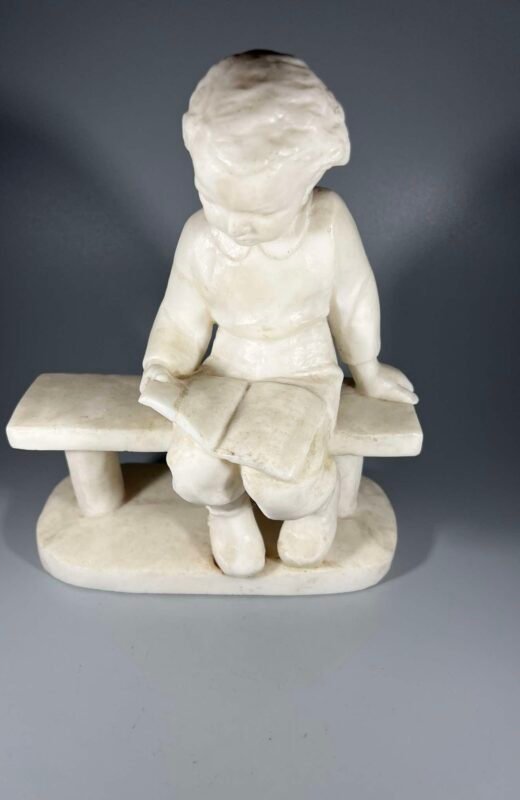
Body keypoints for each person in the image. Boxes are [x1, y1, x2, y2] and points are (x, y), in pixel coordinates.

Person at [140, 51, 417, 577]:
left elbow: (354, 298)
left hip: (302, 370)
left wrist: (368, 369)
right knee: (194, 470)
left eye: (261, 212)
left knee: (284, 480)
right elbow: (180, 315)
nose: (234, 225)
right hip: (225, 372)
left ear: (308, 183)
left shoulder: (327, 224)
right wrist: (164, 365)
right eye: (212, 199)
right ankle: (227, 512)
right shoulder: (200, 238)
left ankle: (314, 505)